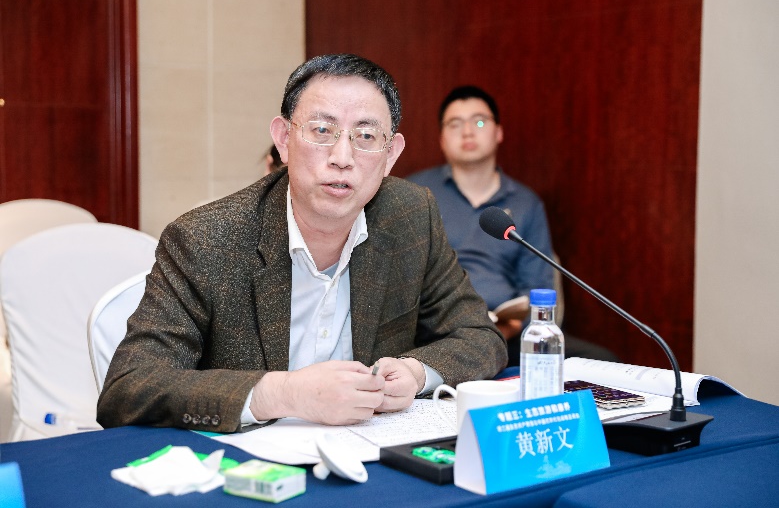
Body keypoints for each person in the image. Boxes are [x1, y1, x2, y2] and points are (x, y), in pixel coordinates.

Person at [97, 56, 507, 433]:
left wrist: (417, 372)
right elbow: (129, 388)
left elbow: (479, 335)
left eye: (366, 135)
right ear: (283, 140)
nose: (342, 157)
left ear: (390, 155)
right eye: (322, 131)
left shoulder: (411, 217)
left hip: (368, 453)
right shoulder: (206, 239)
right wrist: (283, 393)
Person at [408, 86, 618, 367]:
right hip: (438, 332)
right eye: (455, 124)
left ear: (498, 132)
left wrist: (511, 328)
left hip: (510, 334)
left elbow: (538, 284)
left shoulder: (525, 203)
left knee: (602, 362)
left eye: (479, 122)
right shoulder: (416, 194)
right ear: (442, 139)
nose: (467, 132)